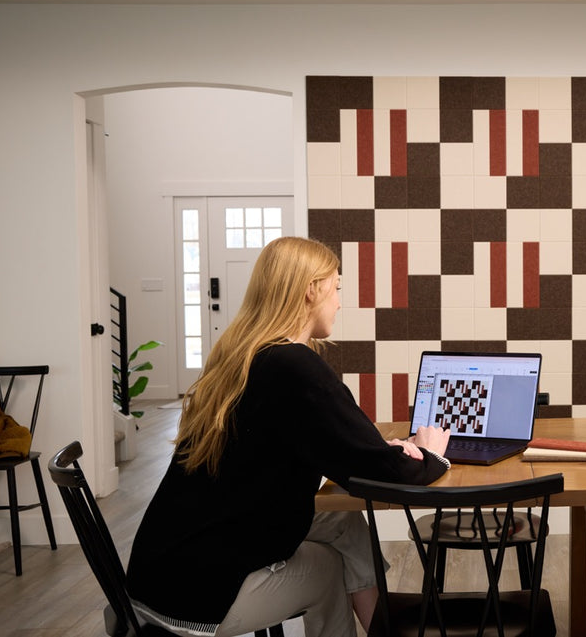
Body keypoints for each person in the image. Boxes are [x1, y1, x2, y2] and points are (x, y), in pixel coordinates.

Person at [126, 236, 450, 637]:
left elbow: (321, 441)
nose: (339, 301)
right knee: (328, 570)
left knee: (340, 520)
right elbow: (387, 475)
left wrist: (373, 449)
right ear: (312, 289)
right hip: (198, 594)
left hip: (163, 567)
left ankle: (384, 630)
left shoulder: (243, 355)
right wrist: (432, 455)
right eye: (337, 287)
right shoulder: (295, 367)